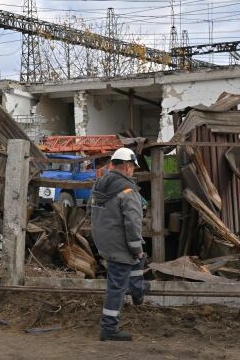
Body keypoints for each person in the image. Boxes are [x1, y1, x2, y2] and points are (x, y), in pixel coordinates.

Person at [89, 147, 149, 342]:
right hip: (121, 245)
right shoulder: (127, 190)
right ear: (126, 166)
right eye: (132, 167)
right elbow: (133, 224)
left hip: (105, 243)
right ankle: (109, 328)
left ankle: (138, 290)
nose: (133, 171)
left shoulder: (99, 184)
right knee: (116, 287)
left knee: (135, 266)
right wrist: (136, 248)